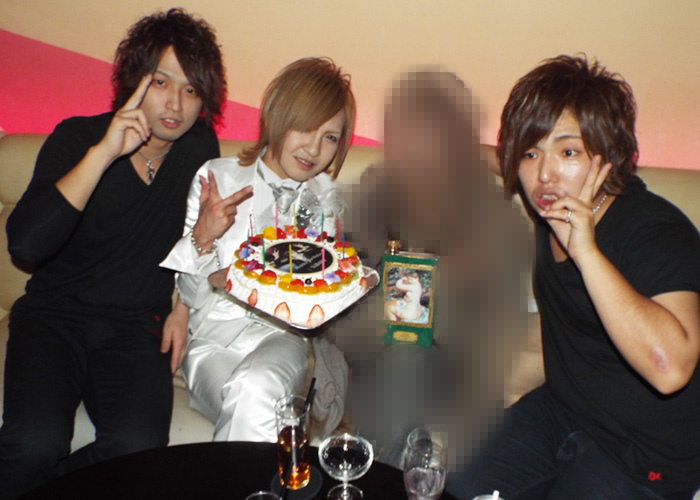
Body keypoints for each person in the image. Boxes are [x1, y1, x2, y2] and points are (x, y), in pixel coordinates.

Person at [447, 55, 700, 500]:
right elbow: (502, 160)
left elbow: (670, 369)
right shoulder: (549, 201)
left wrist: (587, 252)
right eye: (531, 153)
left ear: (609, 158)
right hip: (564, 413)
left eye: (568, 152)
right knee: (460, 486)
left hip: (646, 457)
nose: (544, 174)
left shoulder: (656, 233)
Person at [0, 9, 225, 499]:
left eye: (191, 89)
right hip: (54, 318)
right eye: (161, 82)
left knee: (139, 449)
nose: (175, 104)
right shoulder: (77, 137)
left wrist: (182, 308)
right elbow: (25, 245)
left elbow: (200, 237)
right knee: (36, 443)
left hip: (134, 328)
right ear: (134, 80)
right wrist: (104, 154)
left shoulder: (198, 150)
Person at [334, 69, 527, 469]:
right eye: (408, 132)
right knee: (401, 356)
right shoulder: (372, 193)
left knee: (407, 355)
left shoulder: (490, 208)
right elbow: (339, 304)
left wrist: (431, 292)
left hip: (453, 368)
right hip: (370, 361)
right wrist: (410, 297)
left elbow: (502, 325)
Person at [160, 57, 356, 443]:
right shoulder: (217, 177)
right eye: (306, 127)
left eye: (330, 137)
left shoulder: (328, 198)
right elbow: (194, 298)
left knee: (258, 386)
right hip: (212, 341)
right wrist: (203, 236)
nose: (314, 148)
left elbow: (322, 298)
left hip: (282, 338)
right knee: (259, 403)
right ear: (277, 116)